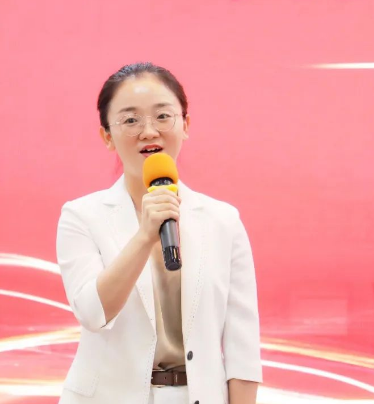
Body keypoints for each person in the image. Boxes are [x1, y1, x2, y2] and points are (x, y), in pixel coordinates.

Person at [56, 62, 262, 404]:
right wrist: (144, 236)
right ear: (107, 136)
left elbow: (243, 344)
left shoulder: (223, 221)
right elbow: (92, 313)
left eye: (163, 116)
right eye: (130, 120)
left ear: (185, 125)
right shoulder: (81, 216)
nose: (149, 131)